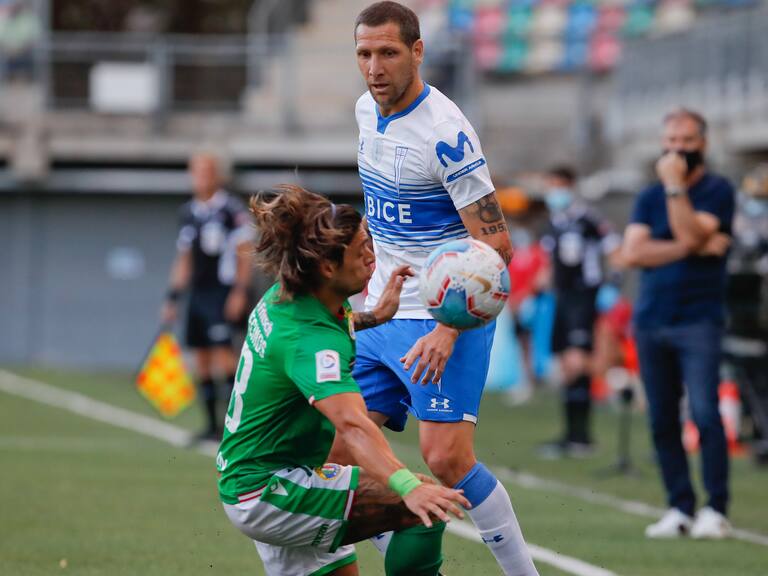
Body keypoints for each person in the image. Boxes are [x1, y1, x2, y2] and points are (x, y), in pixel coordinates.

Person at [342, 3, 539, 574]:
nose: (374, 68)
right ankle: (411, 555)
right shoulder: (363, 110)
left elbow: (497, 246)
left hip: (440, 318)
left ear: (418, 51)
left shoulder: (447, 134)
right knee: (335, 451)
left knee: (446, 458)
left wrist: (448, 330)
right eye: (364, 54)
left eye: (388, 53)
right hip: (381, 313)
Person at [216, 185, 470, 576]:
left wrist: (374, 315)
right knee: (424, 510)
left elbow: (328, 324)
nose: (373, 256)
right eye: (361, 250)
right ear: (328, 268)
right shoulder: (309, 342)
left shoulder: (285, 297)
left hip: (259, 479)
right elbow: (352, 426)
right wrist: (408, 487)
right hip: (271, 490)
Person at [623, 108, 735, 539]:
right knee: (662, 418)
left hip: (698, 320)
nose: (677, 149)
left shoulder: (717, 190)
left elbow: (688, 231)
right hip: (652, 318)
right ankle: (680, 506)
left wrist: (675, 189)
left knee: (705, 413)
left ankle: (716, 508)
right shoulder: (648, 195)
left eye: (686, 141)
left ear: (702, 143)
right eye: (671, 140)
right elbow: (634, 253)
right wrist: (691, 245)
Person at [161, 152, 253, 441]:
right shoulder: (189, 211)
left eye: (207, 172)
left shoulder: (231, 209)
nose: (201, 177)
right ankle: (211, 425)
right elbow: (184, 258)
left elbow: (244, 253)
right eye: (196, 172)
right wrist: (173, 298)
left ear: (217, 175)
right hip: (197, 294)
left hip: (222, 292)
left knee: (225, 356)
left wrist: (239, 291)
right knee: (200, 357)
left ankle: (233, 426)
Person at [538, 166, 622, 458]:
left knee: (578, 362)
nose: (554, 192)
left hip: (583, 297)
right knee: (566, 365)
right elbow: (550, 263)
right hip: (561, 298)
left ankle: (582, 436)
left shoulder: (588, 219)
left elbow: (615, 250)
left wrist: (613, 284)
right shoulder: (554, 222)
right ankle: (572, 435)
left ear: (571, 186)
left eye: (559, 186)